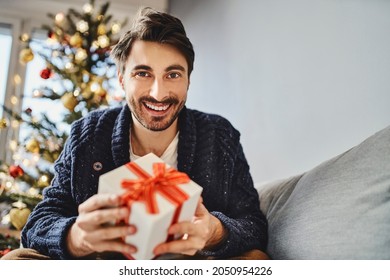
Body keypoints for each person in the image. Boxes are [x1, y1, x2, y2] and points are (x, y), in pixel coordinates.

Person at [2, 7, 268, 260]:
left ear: (188, 79)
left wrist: (214, 232)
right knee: (16, 260)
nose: (158, 93)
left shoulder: (220, 135)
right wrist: (76, 237)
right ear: (121, 78)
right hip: (104, 264)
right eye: (143, 73)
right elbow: (39, 222)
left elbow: (254, 225)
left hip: (189, 266)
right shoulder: (88, 132)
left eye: (173, 74)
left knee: (258, 260)